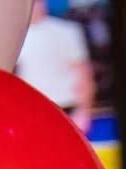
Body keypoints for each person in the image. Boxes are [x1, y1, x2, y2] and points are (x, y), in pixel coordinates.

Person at [16, 0, 96, 135]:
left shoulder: (66, 31)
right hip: (33, 110)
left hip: (67, 108)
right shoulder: (16, 37)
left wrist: (84, 110)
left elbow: (83, 73)